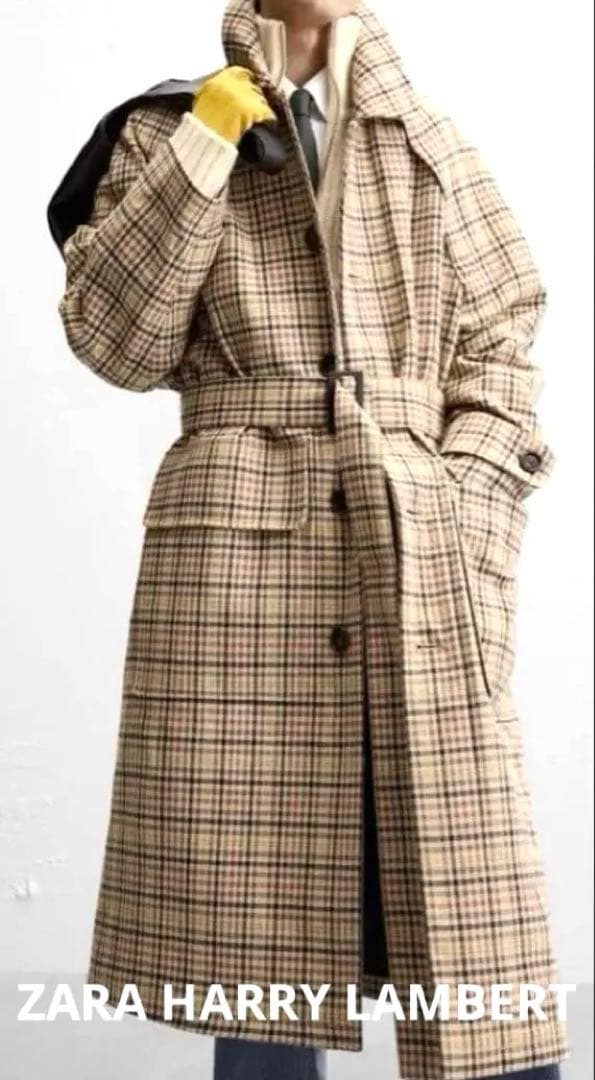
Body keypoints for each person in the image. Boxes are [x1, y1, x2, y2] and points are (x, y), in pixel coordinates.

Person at [55, 1, 570, 1078]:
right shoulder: (163, 132)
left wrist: (468, 507)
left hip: (416, 546)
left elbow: (502, 349)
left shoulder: (429, 144)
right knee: (263, 960)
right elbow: (120, 340)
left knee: (480, 950)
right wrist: (207, 139)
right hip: (238, 571)